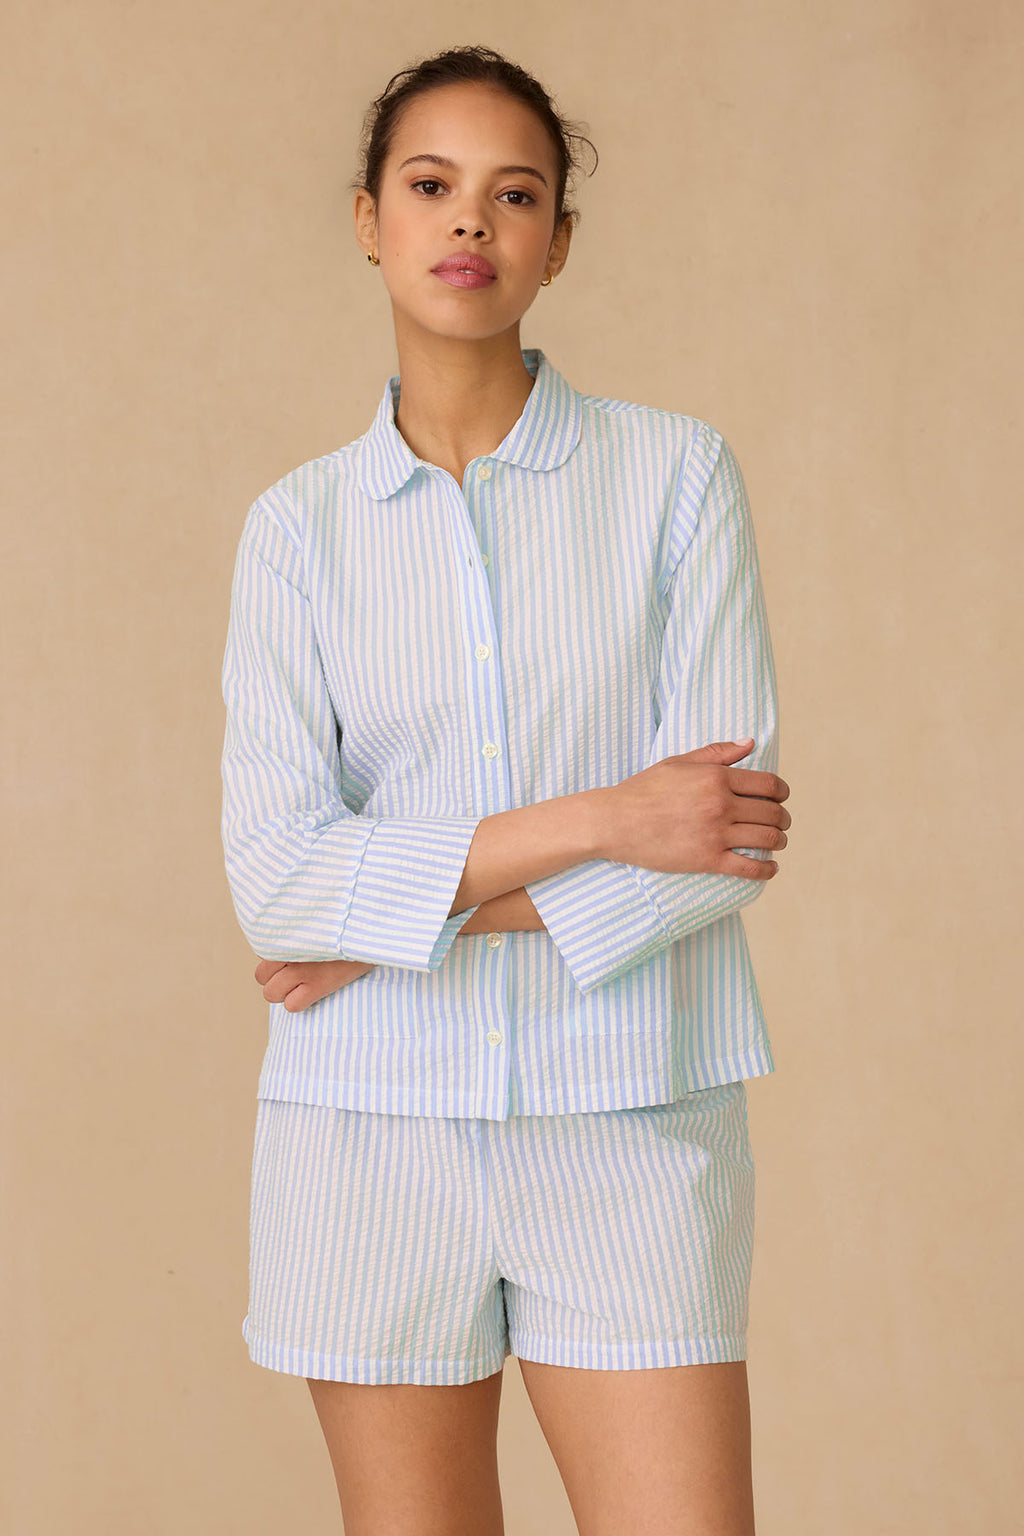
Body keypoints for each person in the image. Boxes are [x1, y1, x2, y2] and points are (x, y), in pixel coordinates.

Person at [220, 42, 791, 1536]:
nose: (469, 223)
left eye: (513, 194)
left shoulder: (677, 481)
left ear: (557, 241)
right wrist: (604, 817)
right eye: (432, 187)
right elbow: (278, 885)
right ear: (369, 218)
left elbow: (710, 845)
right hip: (366, 1133)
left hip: (630, 1115)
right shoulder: (295, 535)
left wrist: (389, 914)